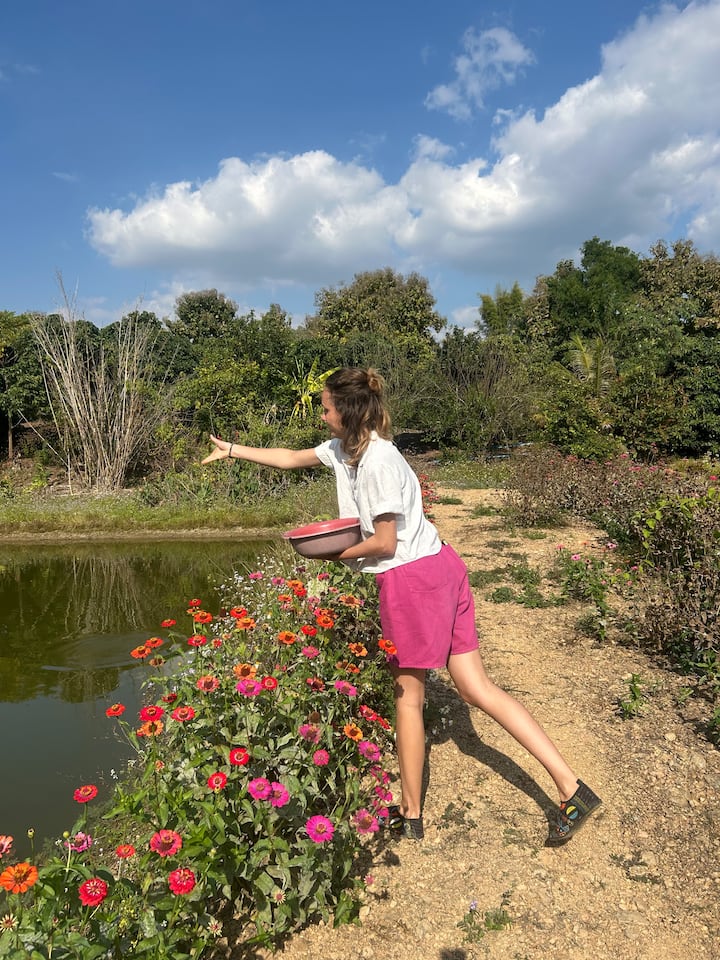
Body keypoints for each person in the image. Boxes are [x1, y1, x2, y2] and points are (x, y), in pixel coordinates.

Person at [202, 367, 601, 846]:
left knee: (408, 697)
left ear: (346, 412)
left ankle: (410, 813)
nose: (321, 414)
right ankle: (572, 788)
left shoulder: (378, 463)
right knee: (476, 688)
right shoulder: (344, 450)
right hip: (441, 565)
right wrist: (231, 450)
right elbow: (290, 457)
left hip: (413, 581)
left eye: (326, 407)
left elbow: (385, 542)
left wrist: (330, 553)